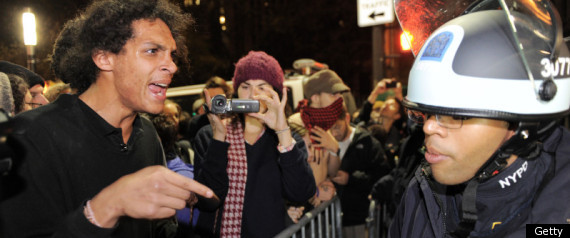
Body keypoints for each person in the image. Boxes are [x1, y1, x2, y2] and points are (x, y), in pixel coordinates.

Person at [0, 0, 217, 237]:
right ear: (104, 58)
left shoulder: (147, 136)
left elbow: (159, 229)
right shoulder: (31, 137)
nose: (172, 66)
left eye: (171, 54)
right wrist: (106, 207)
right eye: (152, 51)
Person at [390, 3, 570, 238]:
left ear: (520, 124)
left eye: (457, 115)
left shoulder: (560, 210)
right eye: (426, 112)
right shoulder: (422, 192)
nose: (429, 126)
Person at [193, 51, 316, 237]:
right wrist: (219, 138)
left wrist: (282, 132)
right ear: (236, 91)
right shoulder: (210, 135)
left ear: (275, 93)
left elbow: (301, 193)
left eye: (262, 86)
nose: (252, 95)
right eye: (245, 86)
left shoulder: (287, 139)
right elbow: (207, 200)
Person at [328, 106, 391, 238]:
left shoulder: (368, 142)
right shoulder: (326, 142)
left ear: (347, 118)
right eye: (330, 128)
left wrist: (350, 179)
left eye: (337, 127)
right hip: (332, 217)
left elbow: (382, 175)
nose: (334, 133)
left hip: (359, 217)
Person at [186, 76, 233, 142]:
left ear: (227, 97)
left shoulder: (235, 119)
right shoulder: (197, 123)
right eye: (211, 98)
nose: (215, 102)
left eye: (218, 97)